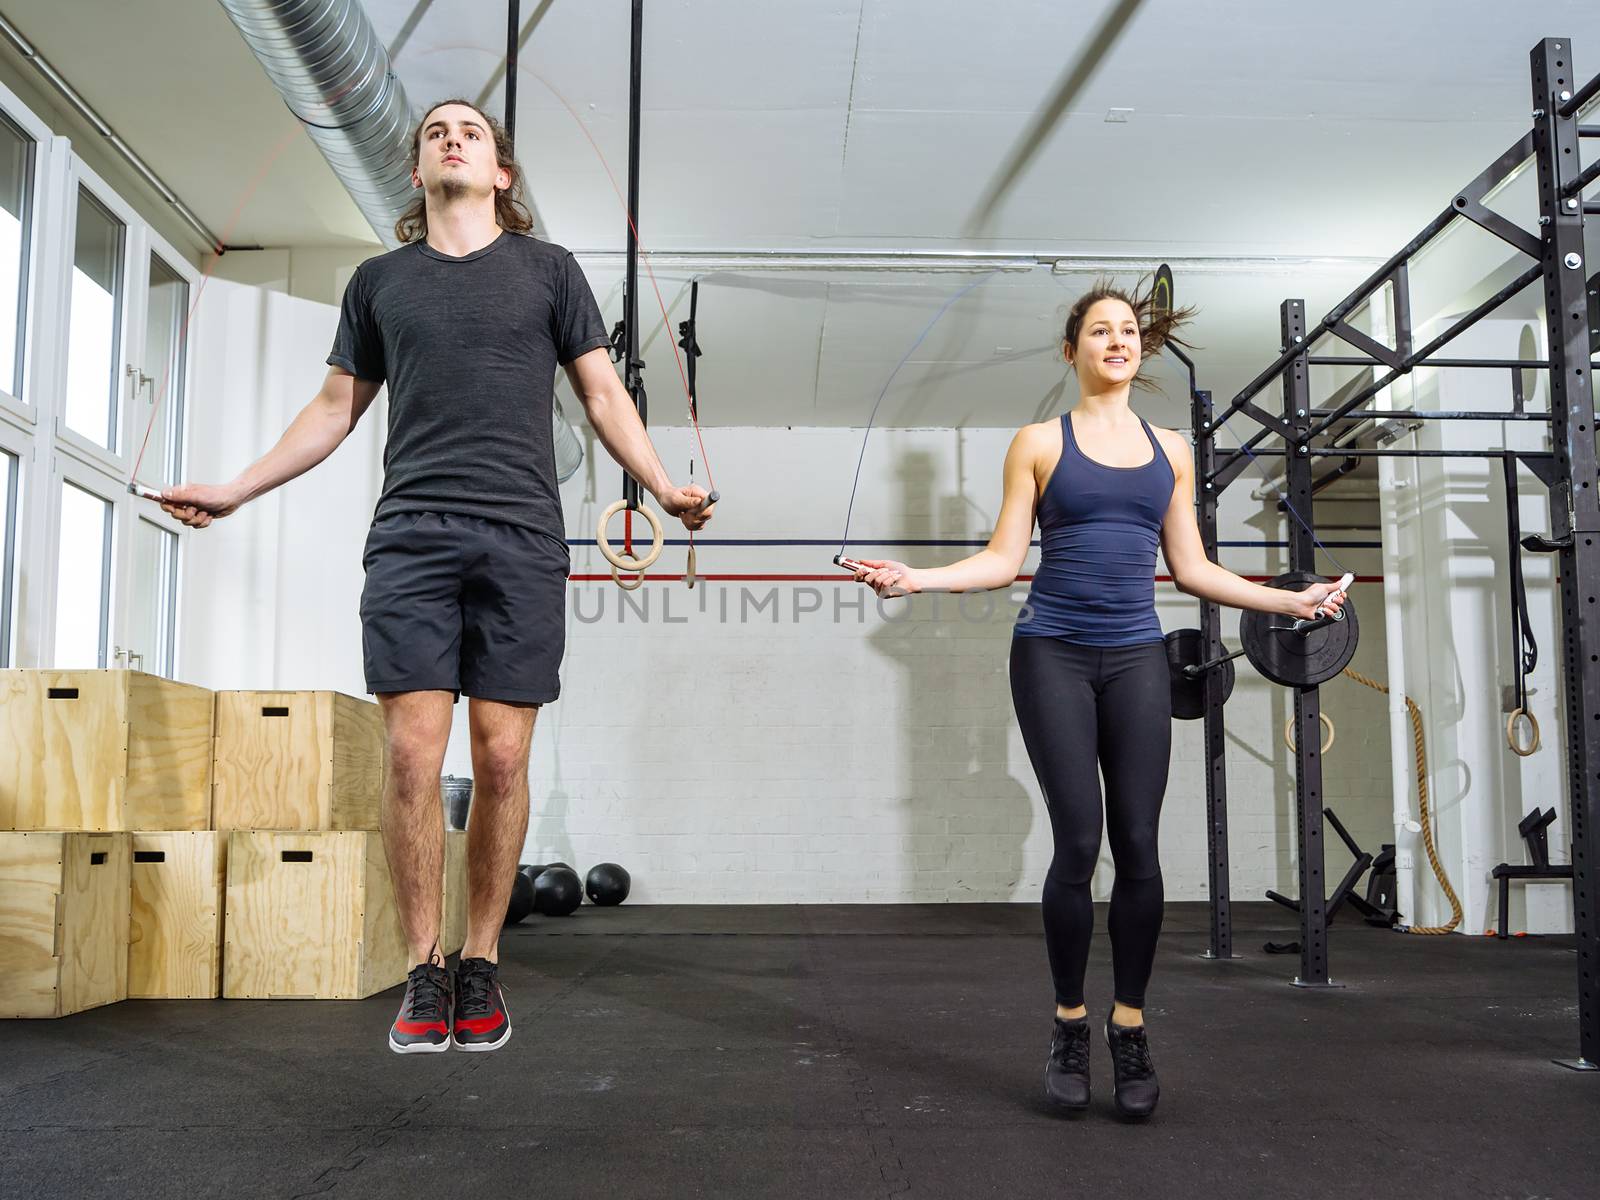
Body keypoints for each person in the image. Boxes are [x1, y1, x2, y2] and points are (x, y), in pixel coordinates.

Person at [160, 98, 714, 1054]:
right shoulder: (381, 281)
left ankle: (482, 963)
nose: (452, 138)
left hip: (522, 536)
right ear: (416, 173)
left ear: (502, 173)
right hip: (412, 535)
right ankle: (425, 967)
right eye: (434, 133)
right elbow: (334, 407)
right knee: (414, 758)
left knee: (501, 759)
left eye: (473, 133)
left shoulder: (549, 272)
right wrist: (240, 488)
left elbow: (600, 388)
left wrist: (661, 485)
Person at [850, 281, 1345, 1117]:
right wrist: (917, 578)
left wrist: (1289, 601)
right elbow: (1005, 559)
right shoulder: (1039, 442)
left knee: (1141, 846)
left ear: (1140, 350)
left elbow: (1191, 569)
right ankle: (1071, 1022)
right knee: (1079, 842)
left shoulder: (1173, 450)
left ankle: (1131, 1027)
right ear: (1073, 348)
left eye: (1127, 331)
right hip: (1052, 653)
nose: (1116, 340)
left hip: (1137, 658)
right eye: (1099, 331)